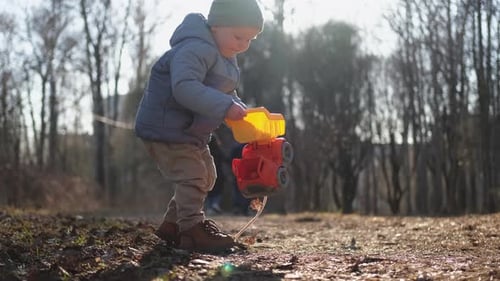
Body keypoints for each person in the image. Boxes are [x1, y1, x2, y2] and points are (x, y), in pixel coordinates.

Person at [134, 0, 264, 252]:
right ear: (216, 26)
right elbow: (185, 87)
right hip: (166, 128)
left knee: (207, 175)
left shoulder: (225, 57)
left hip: (188, 133)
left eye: (250, 40)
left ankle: (173, 226)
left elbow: (226, 91)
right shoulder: (194, 49)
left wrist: (241, 110)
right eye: (238, 36)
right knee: (193, 175)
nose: (243, 45)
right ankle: (192, 227)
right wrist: (226, 105)